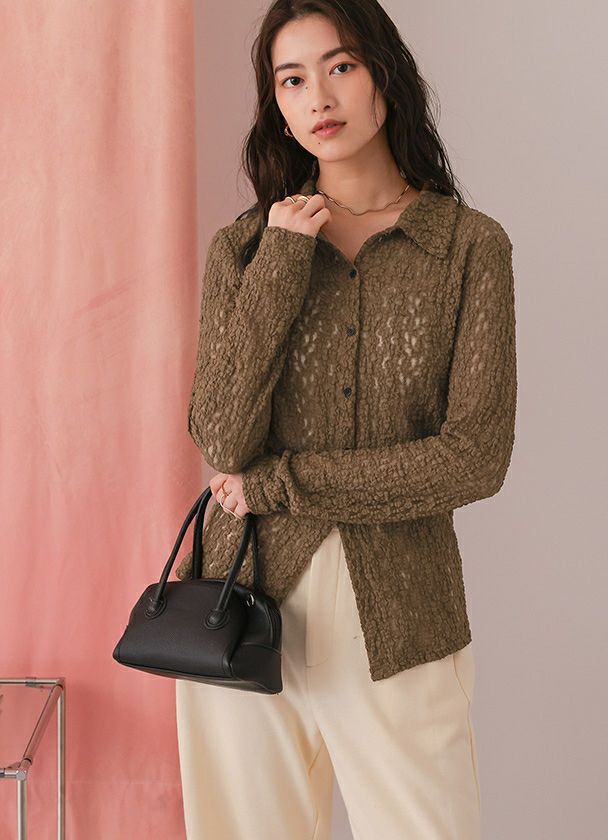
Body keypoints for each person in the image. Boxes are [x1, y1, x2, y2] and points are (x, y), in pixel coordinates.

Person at [175, 1, 517, 838]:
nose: (319, 97)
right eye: (292, 80)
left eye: (340, 67)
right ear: (277, 105)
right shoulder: (246, 249)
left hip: (402, 617)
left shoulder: (469, 247)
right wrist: (283, 260)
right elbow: (221, 436)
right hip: (239, 606)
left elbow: (474, 458)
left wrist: (280, 483)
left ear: (383, 78)